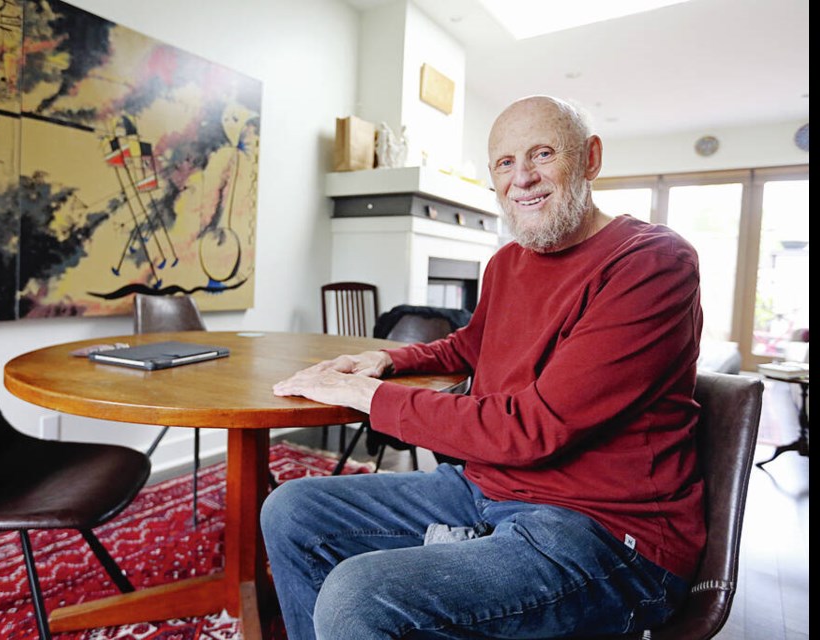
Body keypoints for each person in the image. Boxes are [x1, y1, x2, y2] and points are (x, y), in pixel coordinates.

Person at [262, 95, 705, 639]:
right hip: (488, 489)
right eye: (504, 163)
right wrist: (385, 359)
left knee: (360, 595)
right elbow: (470, 344)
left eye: (542, 154)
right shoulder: (507, 263)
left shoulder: (651, 262)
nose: (522, 178)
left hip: (607, 533)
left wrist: (369, 399)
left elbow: (532, 427)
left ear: (590, 158)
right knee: (292, 510)